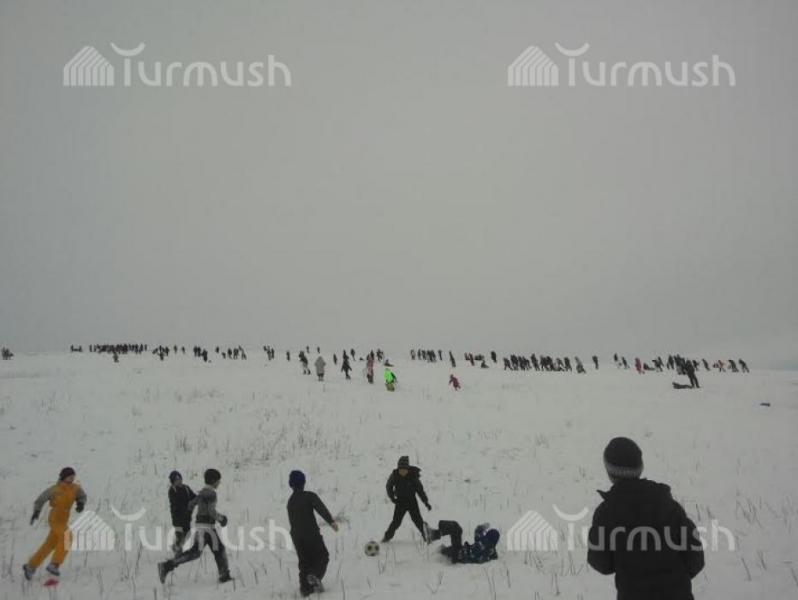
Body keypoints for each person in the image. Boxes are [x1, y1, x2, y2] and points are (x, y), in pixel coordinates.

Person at [587, 438, 704, 600]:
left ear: (610, 473)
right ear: (640, 467)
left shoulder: (606, 513)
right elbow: (695, 557)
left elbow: (601, 563)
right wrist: (674, 580)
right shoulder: (668, 504)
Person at [158, 468, 231, 584]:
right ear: (213, 481)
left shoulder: (202, 492)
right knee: (216, 550)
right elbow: (211, 511)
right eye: (218, 481)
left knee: (197, 553)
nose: (219, 483)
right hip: (207, 528)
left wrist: (190, 513)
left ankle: (167, 565)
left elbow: (191, 504)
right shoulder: (211, 494)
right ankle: (224, 575)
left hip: (201, 526)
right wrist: (222, 519)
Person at [23, 467, 87, 580]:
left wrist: (80, 503)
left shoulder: (75, 488)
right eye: (69, 476)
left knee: (50, 544)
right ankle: (54, 564)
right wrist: (36, 511)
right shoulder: (55, 489)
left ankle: (31, 566)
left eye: (73, 476)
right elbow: (41, 499)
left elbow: (82, 496)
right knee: (67, 537)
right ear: (63, 477)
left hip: (64, 518)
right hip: (55, 518)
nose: (72, 478)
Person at [287, 470, 338, 597]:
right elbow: (320, 508)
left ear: (291, 484)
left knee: (304, 562)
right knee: (322, 556)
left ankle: (305, 589)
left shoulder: (290, 501)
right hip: (311, 534)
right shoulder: (309, 496)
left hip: (296, 536)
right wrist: (331, 521)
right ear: (303, 482)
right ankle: (315, 576)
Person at [382, 456, 431, 542]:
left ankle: (426, 536)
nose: (402, 472)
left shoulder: (413, 476)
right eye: (400, 470)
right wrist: (392, 497)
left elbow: (420, 491)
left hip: (412, 502)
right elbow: (388, 486)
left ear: (407, 469)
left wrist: (426, 502)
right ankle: (387, 537)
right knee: (396, 522)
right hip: (400, 502)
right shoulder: (395, 475)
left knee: (417, 520)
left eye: (404, 470)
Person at [425, 521, 500, 564]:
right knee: (456, 531)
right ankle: (440, 547)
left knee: (456, 528)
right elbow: (493, 556)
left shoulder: (483, 540)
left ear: (488, 536)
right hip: (460, 555)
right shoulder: (491, 551)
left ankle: (433, 535)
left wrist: (483, 527)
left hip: (458, 553)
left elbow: (477, 530)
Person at [167, 471, 196, 553]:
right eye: (176, 480)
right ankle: (178, 552)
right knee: (180, 536)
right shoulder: (172, 490)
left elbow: (193, 497)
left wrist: (200, 498)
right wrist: (189, 505)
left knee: (188, 534)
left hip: (187, 517)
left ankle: (176, 547)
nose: (179, 481)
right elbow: (177, 503)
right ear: (173, 481)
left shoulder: (186, 488)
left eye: (180, 479)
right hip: (177, 519)